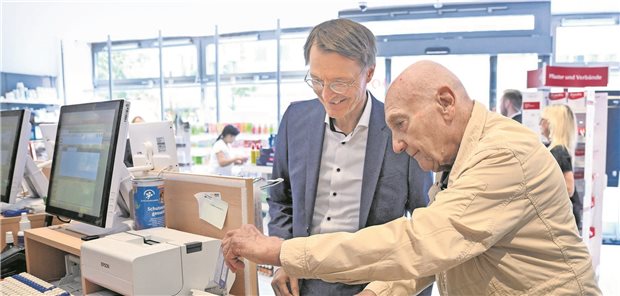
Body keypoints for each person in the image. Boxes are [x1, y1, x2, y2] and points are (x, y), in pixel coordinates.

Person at [221, 60, 601, 296]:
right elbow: (440, 254)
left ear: (446, 103)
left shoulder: (503, 154)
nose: (398, 146)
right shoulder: (458, 162)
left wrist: (279, 251)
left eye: (401, 125)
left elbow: (420, 241)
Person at [267, 18, 433, 296]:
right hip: (304, 283)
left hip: (374, 284)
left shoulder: (401, 128)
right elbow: (280, 199)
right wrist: (283, 257)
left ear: (369, 73)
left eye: (340, 83)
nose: (327, 94)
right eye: (317, 80)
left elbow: (426, 224)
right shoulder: (295, 119)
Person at [540, 104, 582, 232]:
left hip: (562, 220)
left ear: (552, 123)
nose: (540, 124)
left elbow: (569, 189)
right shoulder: (557, 149)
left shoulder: (559, 151)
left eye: (543, 120)